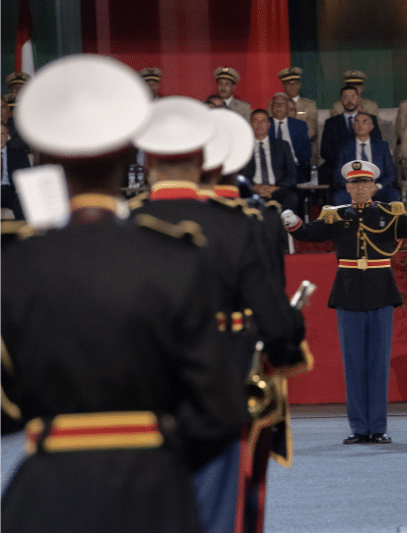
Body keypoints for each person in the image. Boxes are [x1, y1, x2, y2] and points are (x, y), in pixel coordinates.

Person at [1, 54, 247, 533]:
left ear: (49, 159)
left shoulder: (15, 262)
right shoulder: (177, 258)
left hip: (48, 490)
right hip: (155, 492)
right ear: (130, 157)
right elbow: (218, 407)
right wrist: (159, 449)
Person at [130, 97, 308, 533]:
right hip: (218, 389)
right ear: (202, 158)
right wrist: (286, 347)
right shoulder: (238, 225)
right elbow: (276, 319)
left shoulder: (126, 222)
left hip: (140, 399)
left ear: (149, 159)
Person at [281, 161, 407, 444]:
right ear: (348, 188)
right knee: (353, 363)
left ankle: (377, 428)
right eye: (354, 184)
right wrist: (294, 224)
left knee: (377, 363)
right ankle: (358, 428)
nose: (360, 188)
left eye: (365, 183)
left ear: (375, 187)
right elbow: (310, 234)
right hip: (349, 292)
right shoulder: (335, 217)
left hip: (379, 291)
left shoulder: (389, 215)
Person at [319, 86, 382, 186]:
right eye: (346, 97)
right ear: (341, 100)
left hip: (367, 163)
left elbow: (378, 145)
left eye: (353, 97)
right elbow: (325, 151)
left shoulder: (370, 119)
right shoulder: (331, 123)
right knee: (324, 172)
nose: (350, 100)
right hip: (339, 166)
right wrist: (344, 163)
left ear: (358, 99)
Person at [240, 108, 300, 213]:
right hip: (252, 190)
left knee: (291, 197)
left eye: (263, 121)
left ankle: (283, 229)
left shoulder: (282, 145)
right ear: (250, 124)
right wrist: (254, 187)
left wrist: (276, 187)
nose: (259, 124)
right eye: (255, 121)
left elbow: (292, 174)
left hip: (277, 189)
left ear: (268, 124)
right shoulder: (243, 147)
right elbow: (238, 175)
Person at [333, 111, 399, 204]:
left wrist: (377, 186)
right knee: (339, 198)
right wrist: (354, 187)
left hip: (376, 188)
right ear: (353, 126)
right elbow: (338, 175)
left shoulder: (382, 146)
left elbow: (391, 174)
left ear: (371, 126)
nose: (360, 125)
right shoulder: (344, 147)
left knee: (393, 195)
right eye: (357, 122)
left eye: (364, 121)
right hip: (353, 190)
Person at [277, 67, 318, 165]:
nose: (292, 87)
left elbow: (311, 131)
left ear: (299, 85)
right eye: (288, 84)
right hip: (280, 148)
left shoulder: (310, 105)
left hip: (302, 148)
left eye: (295, 84)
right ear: (283, 86)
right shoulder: (274, 105)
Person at [268, 92, 312, 183]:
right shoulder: (264, 124)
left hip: (294, 167)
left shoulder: (300, 125)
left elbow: (306, 152)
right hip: (269, 168)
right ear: (271, 107)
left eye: (282, 104)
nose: (279, 106)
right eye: (276, 103)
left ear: (288, 108)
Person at [1, 122, 29, 219]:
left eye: (2, 134)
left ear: (7, 136)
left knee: (20, 200)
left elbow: (27, 175)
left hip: (11, 191)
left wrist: (21, 188)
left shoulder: (19, 154)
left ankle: (23, 232)